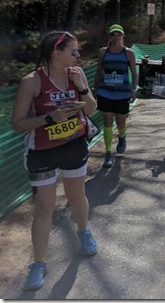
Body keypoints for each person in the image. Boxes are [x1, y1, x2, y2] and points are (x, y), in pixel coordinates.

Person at [12, 31, 99, 291]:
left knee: (76, 196)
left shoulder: (76, 75)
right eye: (73, 51)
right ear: (56, 52)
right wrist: (50, 118)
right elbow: (17, 124)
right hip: (43, 151)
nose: (78, 55)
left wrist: (82, 87)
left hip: (73, 145)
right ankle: (39, 262)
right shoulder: (32, 82)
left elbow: (91, 109)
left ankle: (83, 232)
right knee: (44, 208)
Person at [94, 24, 138, 168]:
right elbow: (99, 70)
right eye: (113, 34)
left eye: (119, 34)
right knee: (107, 121)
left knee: (120, 122)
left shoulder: (128, 53)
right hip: (105, 91)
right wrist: (95, 88)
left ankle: (122, 137)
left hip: (122, 92)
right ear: (110, 37)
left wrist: (133, 89)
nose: (116, 37)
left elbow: (134, 72)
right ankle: (108, 153)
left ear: (123, 36)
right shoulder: (103, 52)